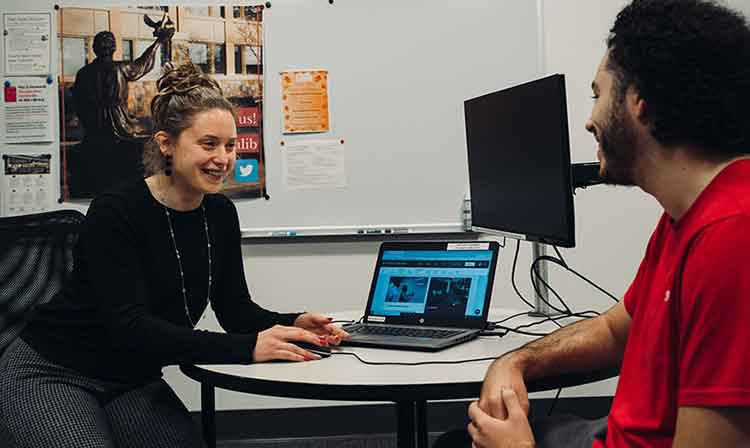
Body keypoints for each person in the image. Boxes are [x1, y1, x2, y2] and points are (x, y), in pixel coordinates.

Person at [435, 0, 750, 447]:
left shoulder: (732, 238)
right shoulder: (686, 216)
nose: (589, 120)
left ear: (640, 101)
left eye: (598, 94)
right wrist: (515, 361)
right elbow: (613, 332)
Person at [0, 62, 348, 448]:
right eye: (209, 144)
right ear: (166, 143)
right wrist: (248, 348)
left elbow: (235, 310)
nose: (224, 158)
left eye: (231, 145)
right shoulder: (115, 210)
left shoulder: (219, 213)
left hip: (130, 378)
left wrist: (293, 322)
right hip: (52, 371)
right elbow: (130, 326)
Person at [69, 23, 172, 197]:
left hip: (94, 127)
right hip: (120, 124)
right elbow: (143, 64)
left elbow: (78, 102)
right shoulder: (120, 68)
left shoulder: (83, 73)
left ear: (94, 48)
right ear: (114, 48)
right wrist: (158, 42)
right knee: (148, 138)